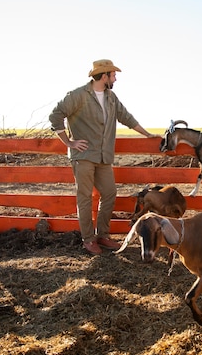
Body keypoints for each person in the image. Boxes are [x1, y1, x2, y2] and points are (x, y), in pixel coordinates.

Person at [49, 59, 157, 255]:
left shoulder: (111, 97)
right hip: (83, 156)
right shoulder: (79, 95)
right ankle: (88, 240)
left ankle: (103, 236)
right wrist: (69, 142)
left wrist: (147, 134)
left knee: (109, 193)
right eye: (113, 75)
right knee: (85, 198)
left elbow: (127, 117)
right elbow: (55, 115)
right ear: (104, 75)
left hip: (103, 156)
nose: (115, 78)